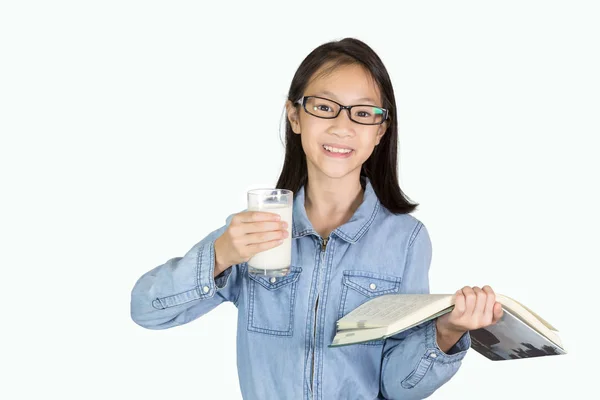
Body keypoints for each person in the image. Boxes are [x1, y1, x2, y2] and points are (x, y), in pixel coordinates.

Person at [130, 37, 504, 400]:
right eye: (324, 107)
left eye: (362, 113)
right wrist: (220, 254)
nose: (343, 127)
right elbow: (147, 311)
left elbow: (397, 387)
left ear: (380, 130)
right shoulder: (255, 227)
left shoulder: (406, 239)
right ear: (294, 116)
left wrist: (446, 331)